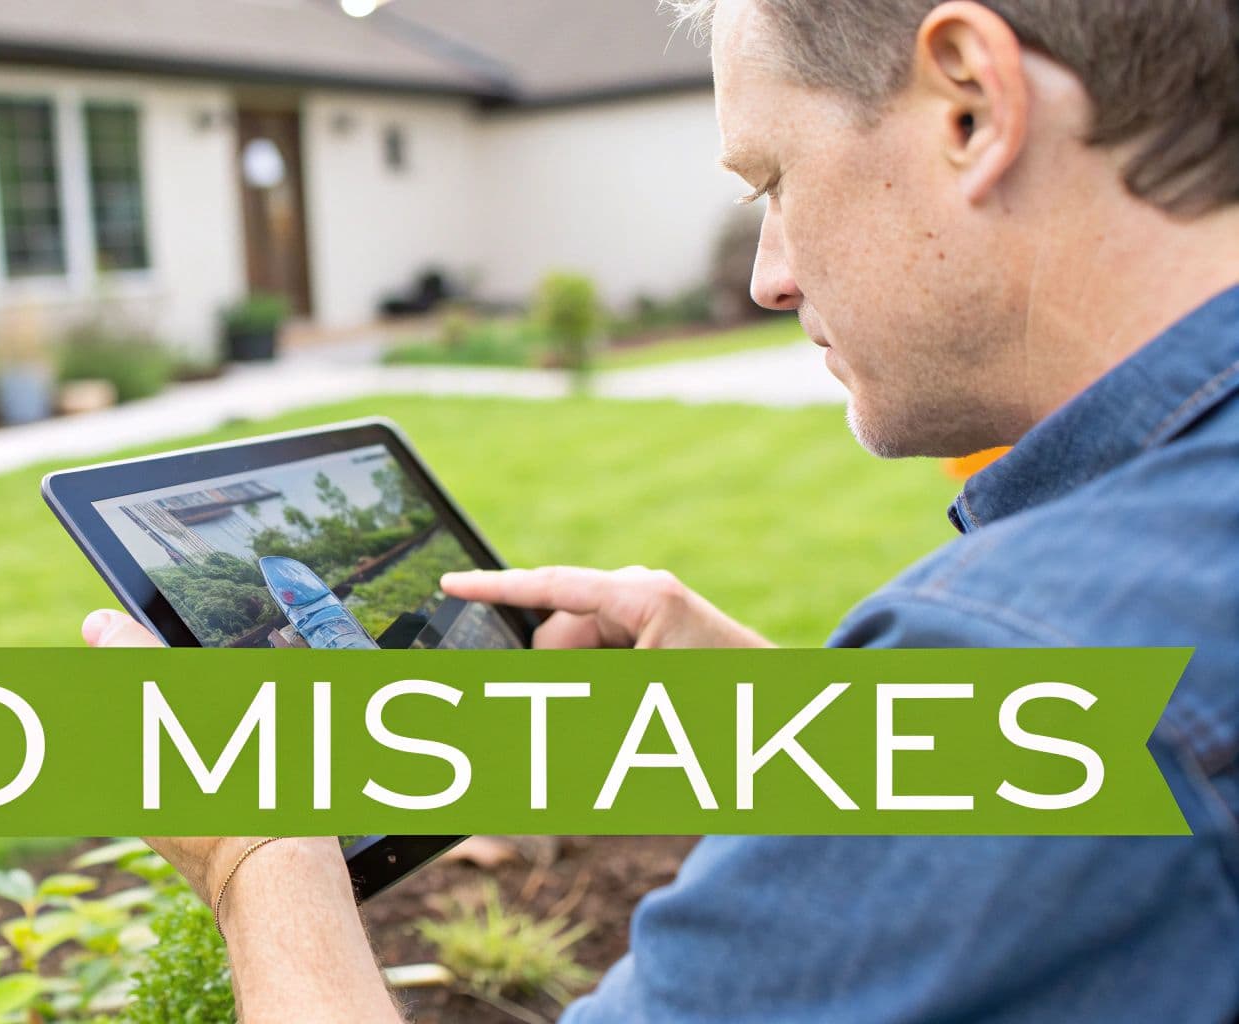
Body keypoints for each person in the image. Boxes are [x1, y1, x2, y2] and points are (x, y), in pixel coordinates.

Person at [81, 0, 1239, 1018]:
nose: (767, 276)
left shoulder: (1044, 658)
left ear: (970, 108)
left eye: (774, 181)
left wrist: (258, 855)